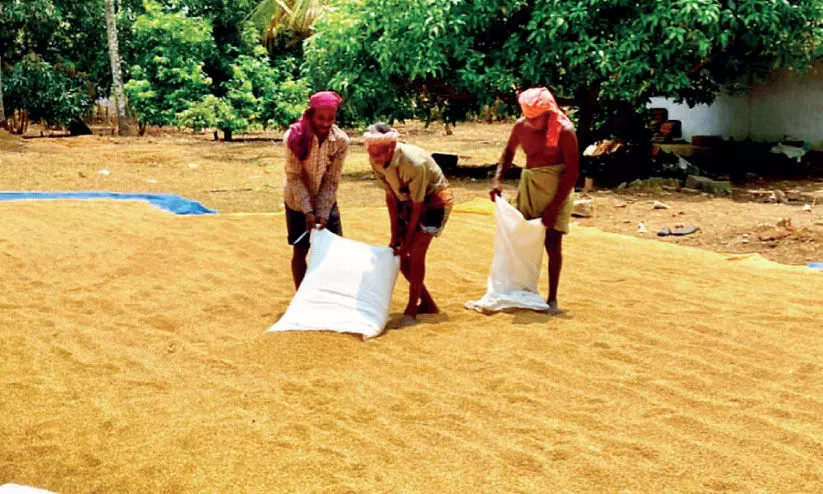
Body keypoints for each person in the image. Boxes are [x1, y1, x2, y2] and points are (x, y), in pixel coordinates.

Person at [490, 87, 579, 314]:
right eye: (528, 117)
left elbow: (571, 173)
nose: (531, 122)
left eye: (536, 118)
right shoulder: (521, 126)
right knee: (522, 241)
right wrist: (497, 179)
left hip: (557, 191)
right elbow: (508, 154)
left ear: (548, 112)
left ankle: (552, 298)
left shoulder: (565, 131)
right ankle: (520, 290)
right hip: (530, 187)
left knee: (552, 243)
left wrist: (554, 207)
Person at [364, 123, 454, 327]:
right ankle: (428, 303)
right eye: (371, 152)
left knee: (416, 251)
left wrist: (408, 237)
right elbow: (391, 196)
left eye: (379, 153)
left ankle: (412, 309)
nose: (375, 158)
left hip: (435, 201)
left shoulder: (413, 162)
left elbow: (419, 204)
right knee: (398, 252)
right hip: (406, 199)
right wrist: (395, 234)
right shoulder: (375, 160)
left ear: (391, 147)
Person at [283, 90, 350, 290]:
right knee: (300, 250)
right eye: (321, 117)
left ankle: (327, 296)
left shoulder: (340, 141)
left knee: (333, 249)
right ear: (311, 114)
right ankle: (302, 299)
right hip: (296, 199)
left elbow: (331, 181)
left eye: (331, 118)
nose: (325, 123)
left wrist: (321, 213)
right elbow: (293, 176)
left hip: (326, 200)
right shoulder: (294, 137)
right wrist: (307, 211)